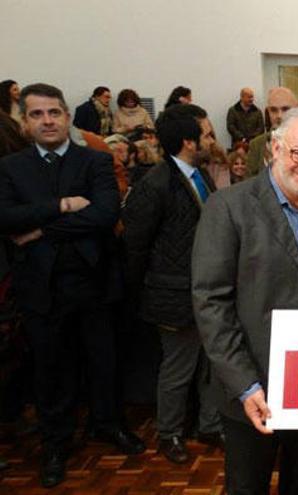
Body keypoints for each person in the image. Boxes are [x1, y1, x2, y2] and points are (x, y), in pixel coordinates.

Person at [192, 106, 298, 495]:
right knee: (247, 487)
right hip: (254, 387)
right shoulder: (228, 207)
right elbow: (210, 303)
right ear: (275, 148)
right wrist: (245, 385)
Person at [0, 83, 144, 488]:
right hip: (40, 287)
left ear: (66, 115)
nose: (47, 121)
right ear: (24, 122)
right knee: (50, 367)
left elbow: (103, 214)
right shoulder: (12, 168)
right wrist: (62, 206)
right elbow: (6, 219)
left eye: (54, 113)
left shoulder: (94, 161)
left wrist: (37, 228)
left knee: (104, 359)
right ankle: (56, 443)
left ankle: (107, 423)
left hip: (94, 281)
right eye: (36, 114)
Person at [122, 103, 222, 464]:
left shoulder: (200, 175)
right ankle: (170, 433)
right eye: (207, 134)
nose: (212, 140)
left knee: (213, 363)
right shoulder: (156, 184)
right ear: (188, 142)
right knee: (179, 369)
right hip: (173, 296)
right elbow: (136, 246)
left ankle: (209, 425)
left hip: (208, 292)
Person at [246, 86, 298, 177]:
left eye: (285, 109)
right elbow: (249, 184)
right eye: (273, 110)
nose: (279, 115)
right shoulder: (257, 145)